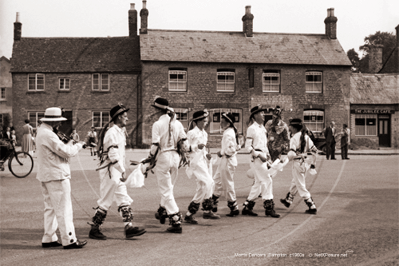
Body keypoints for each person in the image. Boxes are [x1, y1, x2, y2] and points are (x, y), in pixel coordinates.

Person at [89, 104, 146, 240]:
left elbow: (120, 154)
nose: (127, 118)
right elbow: (113, 153)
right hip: (111, 172)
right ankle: (94, 228)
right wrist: (122, 170)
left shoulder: (120, 132)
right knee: (106, 200)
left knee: (122, 197)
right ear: (119, 117)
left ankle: (129, 227)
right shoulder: (112, 133)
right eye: (125, 116)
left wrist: (122, 169)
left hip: (117, 172)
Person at [35, 107, 87, 249]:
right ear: (54, 121)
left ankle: (49, 237)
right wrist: (79, 145)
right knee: (64, 208)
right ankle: (69, 239)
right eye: (58, 121)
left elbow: (59, 149)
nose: (59, 125)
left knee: (50, 207)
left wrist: (70, 143)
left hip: (46, 175)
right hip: (57, 175)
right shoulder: (49, 134)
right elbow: (66, 152)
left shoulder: (42, 132)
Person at [150, 97, 188, 233]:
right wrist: (184, 154)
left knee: (166, 190)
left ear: (157, 110)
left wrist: (149, 158)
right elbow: (184, 141)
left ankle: (176, 219)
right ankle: (162, 209)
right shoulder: (177, 123)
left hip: (164, 157)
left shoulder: (157, 124)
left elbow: (155, 145)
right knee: (169, 188)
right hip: (175, 157)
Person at [242, 105, 280, 218]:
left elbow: (264, 145)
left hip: (263, 157)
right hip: (257, 159)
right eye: (261, 113)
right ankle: (269, 208)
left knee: (258, 184)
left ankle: (247, 207)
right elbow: (248, 147)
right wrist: (259, 155)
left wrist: (268, 156)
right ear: (255, 115)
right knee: (267, 180)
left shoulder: (262, 128)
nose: (263, 115)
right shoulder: (251, 128)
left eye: (263, 113)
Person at [184, 110, 220, 224]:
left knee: (202, 187)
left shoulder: (205, 133)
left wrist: (206, 155)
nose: (205, 123)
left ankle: (189, 214)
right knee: (210, 182)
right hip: (195, 161)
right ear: (197, 121)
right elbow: (185, 148)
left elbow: (203, 149)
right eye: (203, 121)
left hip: (203, 161)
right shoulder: (191, 133)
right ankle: (207, 209)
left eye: (206, 121)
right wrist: (196, 146)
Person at [280, 118, 318, 214]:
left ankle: (311, 205)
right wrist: (313, 164)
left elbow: (291, 154)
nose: (289, 128)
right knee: (295, 181)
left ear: (294, 128)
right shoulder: (306, 137)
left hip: (298, 163)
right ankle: (289, 199)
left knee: (300, 185)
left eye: (290, 126)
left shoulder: (294, 138)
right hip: (306, 163)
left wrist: (285, 160)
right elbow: (314, 151)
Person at [211, 112, 241, 217]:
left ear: (228, 123)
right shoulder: (231, 131)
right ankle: (213, 201)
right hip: (226, 161)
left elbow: (231, 149)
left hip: (227, 161)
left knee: (228, 184)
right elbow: (238, 146)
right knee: (217, 180)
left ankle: (234, 206)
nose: (220, 122)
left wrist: (222, 152)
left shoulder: (228, 133)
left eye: (222, 121)